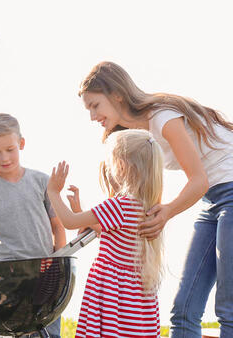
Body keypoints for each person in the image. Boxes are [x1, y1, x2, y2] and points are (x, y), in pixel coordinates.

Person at [78, 61, 233, 337]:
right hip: (212, 199)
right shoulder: (134, 137)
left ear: (117, 95)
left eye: (95, 105)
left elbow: (198, 179)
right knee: (183, 311)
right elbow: (131, 189)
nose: (91, 116)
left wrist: (167, 211)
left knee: (232, 308)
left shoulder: (162, 118)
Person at [47, 129, 164, 337]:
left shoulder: (118, 206)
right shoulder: (147, 206)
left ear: (120, 165)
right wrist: (78, 208)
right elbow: (109, 233)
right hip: (136, 297)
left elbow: (70, 222)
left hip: (113, 293)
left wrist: (53, 192)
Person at [0, 113, 67, 338]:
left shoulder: (42, 181)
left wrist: (57, 265)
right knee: (9, 332)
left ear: (21, 144)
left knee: (48, 332)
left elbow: (58, 226)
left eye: (10, 149)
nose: (4, 157)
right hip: (6, 279)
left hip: (44, 274)